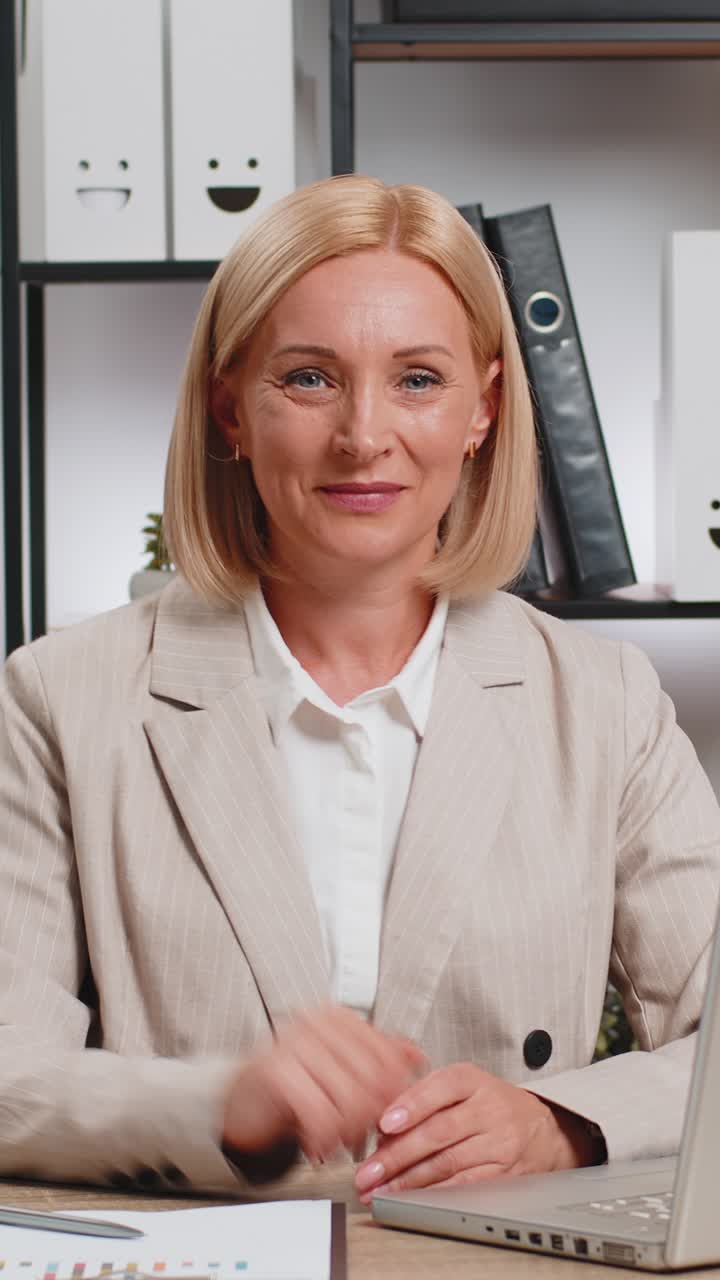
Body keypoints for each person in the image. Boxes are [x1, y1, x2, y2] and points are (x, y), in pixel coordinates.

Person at [1, 175, 719, 1201]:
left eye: (419, 379)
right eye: (308, 378)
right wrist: (219, 1106)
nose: (363, 435)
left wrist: (564, 1120)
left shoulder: (603, 700)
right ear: (230, 408)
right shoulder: (58, 698)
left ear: (484, 410)